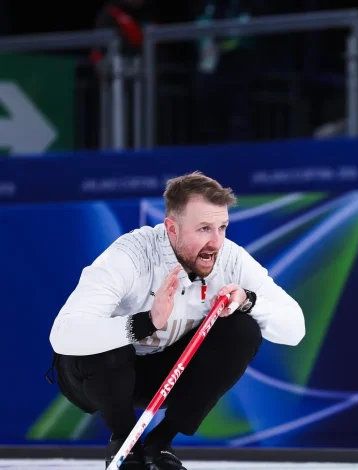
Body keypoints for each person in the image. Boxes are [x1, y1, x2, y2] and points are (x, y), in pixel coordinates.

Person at [47, 172, 306, 470]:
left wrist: (247, 301)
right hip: (94, 377)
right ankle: (124, 442)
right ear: (172, 228)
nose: (216, 242)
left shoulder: (231, 258)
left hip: (164, 376)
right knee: (108, 345)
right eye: (204, 228)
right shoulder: (131, 255)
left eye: (222, 227)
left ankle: (160, 444)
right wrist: (145, 322)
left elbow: (295, 329)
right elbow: (63, 334)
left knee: (242, 328)